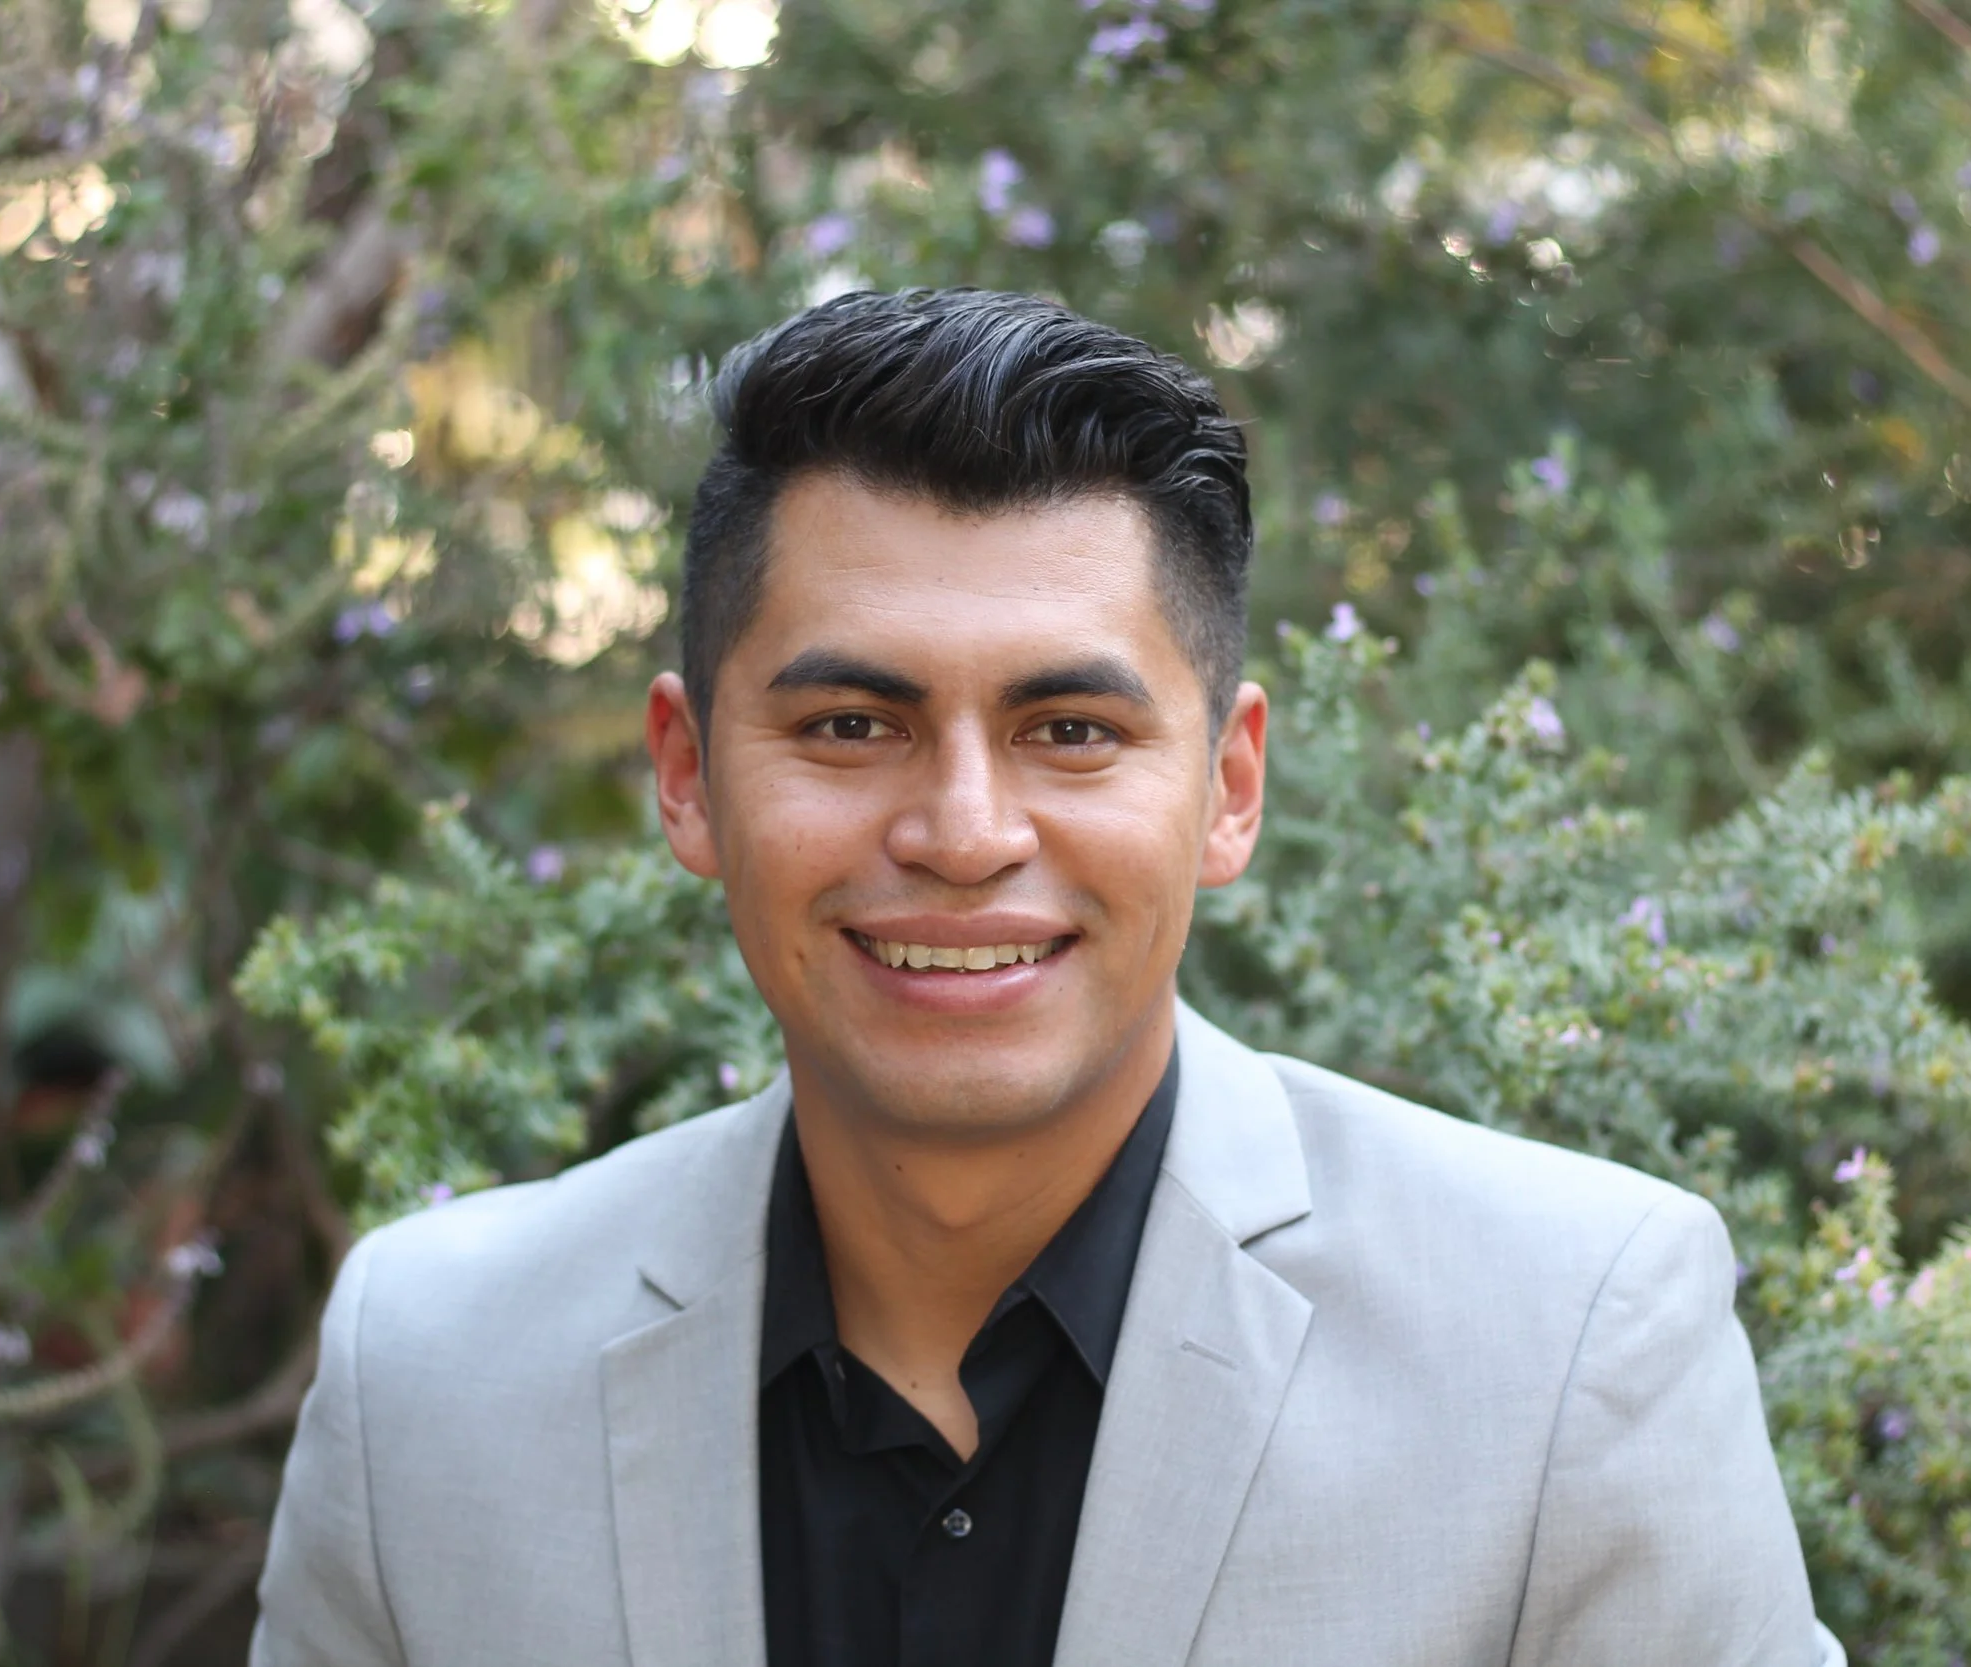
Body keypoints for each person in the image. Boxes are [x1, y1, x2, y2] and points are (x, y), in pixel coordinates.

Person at [250, 288, 1844, 1667]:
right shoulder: (429, 1374)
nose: (962, 830)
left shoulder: (1566, 1343)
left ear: (1227, 786)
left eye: (1069, 730)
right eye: (850, 726)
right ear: (685, 776)